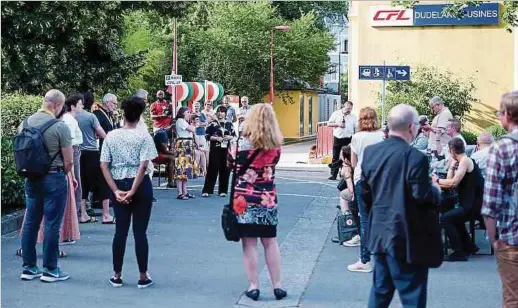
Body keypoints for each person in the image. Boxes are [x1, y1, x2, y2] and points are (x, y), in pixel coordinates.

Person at [362, 104, 442, 308]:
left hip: (379, 233)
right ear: (411, 127)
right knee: (412, 294)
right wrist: (436, 190)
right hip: (407, 236)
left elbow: (364, 191)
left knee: (380, 291)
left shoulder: (371, 153)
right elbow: (421, 195)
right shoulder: (415, 158)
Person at [100, 95, 158, 289]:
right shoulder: (144, 136)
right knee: (140, 232)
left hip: (118, 182)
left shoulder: (111, 135)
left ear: (123, 113)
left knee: (120, 231)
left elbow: (103, 164)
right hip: (140, 185)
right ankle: (143, 275)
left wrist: (115, 190)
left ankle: (116, 274)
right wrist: (133, 190)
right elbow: (144, 165)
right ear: (140, 114)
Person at [233, 103, 287, 301]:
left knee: (249, 244)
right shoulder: (276, 147)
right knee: (270, 242)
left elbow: (231, 164)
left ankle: (254, 286)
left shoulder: (240, 144)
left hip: (243, 200)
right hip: (267, 199)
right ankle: (278, 286)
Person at [19, 89, 73, 282]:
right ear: (58, 105)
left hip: (31, 179)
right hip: (54, 178)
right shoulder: (60, 126)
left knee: (31, 222)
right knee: (52, 224)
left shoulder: (24, 123)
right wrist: (65, 175)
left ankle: (29, 267)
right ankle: (50, 269)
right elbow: (68, 161)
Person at [481, 91, 518, 307]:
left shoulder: (501, 148)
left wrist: (493, 238)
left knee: (513, 298)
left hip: (512, 236)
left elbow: (491, 202)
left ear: (506, 114)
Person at [433, 138, 483, 261]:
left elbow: (453, 183)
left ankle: (458, 252)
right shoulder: (461, 161)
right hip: (468, 204)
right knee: (451, 215)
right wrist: (451, 166)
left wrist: (436, 181)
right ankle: (469, 246)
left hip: (474, 206)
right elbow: (450, 184)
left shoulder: (465, 161)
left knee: (445, 218)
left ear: (451, 151)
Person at [347, 107, 384, 273]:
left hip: (362, 179)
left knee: (365, 220)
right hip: (381, 180)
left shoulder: (357, 137)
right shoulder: (383, 136)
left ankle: (365, 260)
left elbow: (354, 163)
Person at [75, 92, 109, 223]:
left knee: (82, 183)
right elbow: (102, 133)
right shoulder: (91, 117)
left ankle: (83, 213)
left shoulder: (71, 117)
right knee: (103, 182)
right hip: (92, 151)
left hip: (78, 152)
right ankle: (106, 214)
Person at [202, 106, 235, 197]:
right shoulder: (212, 124)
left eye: (222, 112)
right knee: (212, 168)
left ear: (225, 113)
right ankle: (207, 190)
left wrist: (229, 137)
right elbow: (207, 136)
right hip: (215, 148)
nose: (220, 113)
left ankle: (223, 190)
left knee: (225, 169)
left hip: (226, 149)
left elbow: (234, 135)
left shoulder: (229, 123)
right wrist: (216, 138)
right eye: (219, 112)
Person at [63, 94, 84, 219]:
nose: (82, 106)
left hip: (74, 149)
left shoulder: (67, 118)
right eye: (80, 104)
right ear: (72, 106)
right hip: (73, 150)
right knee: (76, 182)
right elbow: (68, 141)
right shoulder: (70, 120)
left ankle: (73, 215)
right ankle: (73, 215)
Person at [327, 101, 357, 180]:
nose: (349, 110)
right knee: (335, 156)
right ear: (344, 106)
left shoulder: (353, 117)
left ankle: (345, 174)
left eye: (350, 109)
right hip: (338, 137)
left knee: (347, 157)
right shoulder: (336, 114)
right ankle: (333, 174)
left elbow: (356, 128)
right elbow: (329, 124)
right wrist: (338, 124)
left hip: (348, 139)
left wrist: (355, 138)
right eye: (347, 108)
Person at [339, 145, 360, 247]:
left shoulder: (348, 168)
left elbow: (351, 189)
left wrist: (346, 174)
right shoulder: (360, 161)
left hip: (358, 193)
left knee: (343, 195)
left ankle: (346, 217)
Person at [174, 107, 197, 200]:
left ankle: (185, 191)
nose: (189, 114)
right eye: (188, 112)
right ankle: (180, 192)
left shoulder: (185, 121)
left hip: (188, 144)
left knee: (186, 168)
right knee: (181, 167)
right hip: (183, 144)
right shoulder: (180, 121)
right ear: (182, 113)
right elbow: (193, 129)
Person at [193, 102, 209, 175]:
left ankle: (204, 170)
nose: (196, 107)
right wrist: (199, 124)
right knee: (198, 152)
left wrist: (200, 124)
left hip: (202, 135)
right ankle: (197, 170)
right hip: (195, 135)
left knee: (203, 152)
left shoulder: (202, 114)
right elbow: (193, 124)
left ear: (200, 107)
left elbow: (206, 123)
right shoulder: (192, 115)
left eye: (197, 106)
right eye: (195, 106)